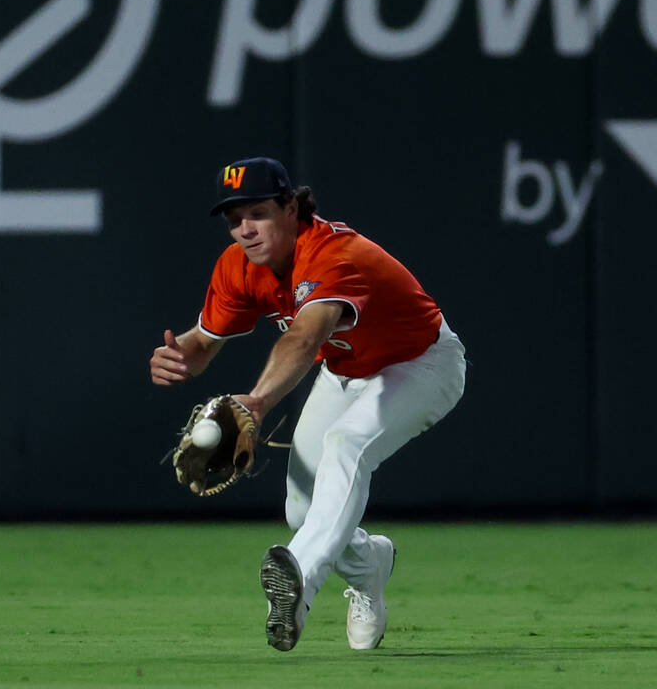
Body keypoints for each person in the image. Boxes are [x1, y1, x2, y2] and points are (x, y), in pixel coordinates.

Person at [149, 156, 466, 652]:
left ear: (292, 207)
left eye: (256, 212)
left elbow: (303, 338)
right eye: (233, 220)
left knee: (347, 443)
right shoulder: (239, 266)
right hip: (344, 372)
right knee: (302, 507)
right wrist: (181, 357)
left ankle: (300, 577)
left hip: (423, 364)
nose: (244, 230)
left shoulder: (333, 254)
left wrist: (256, 402)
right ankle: (369, 568)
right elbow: (203, 341)